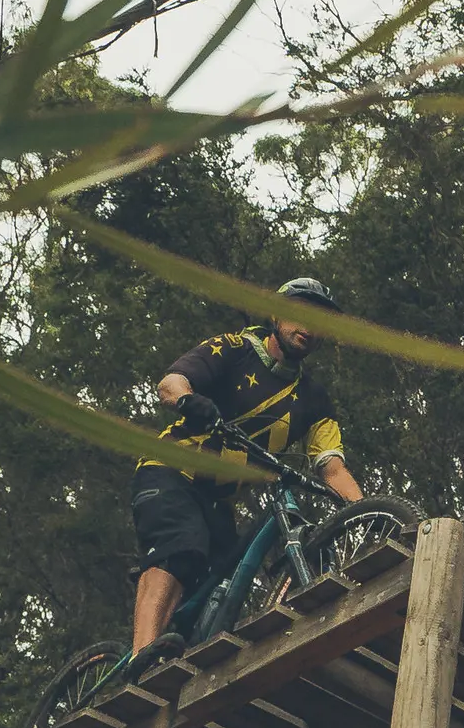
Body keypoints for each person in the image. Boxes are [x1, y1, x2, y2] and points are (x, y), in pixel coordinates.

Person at [128, 276, 370, 659]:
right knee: (182, 547)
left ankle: (180, 657)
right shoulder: (234, 349)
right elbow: (170, 383)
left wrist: (367, 515)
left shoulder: (314, 399)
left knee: (224, 584)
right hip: (171, 470)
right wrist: (190, 401)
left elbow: (333, 468)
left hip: (219, 501)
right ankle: (141, 659)